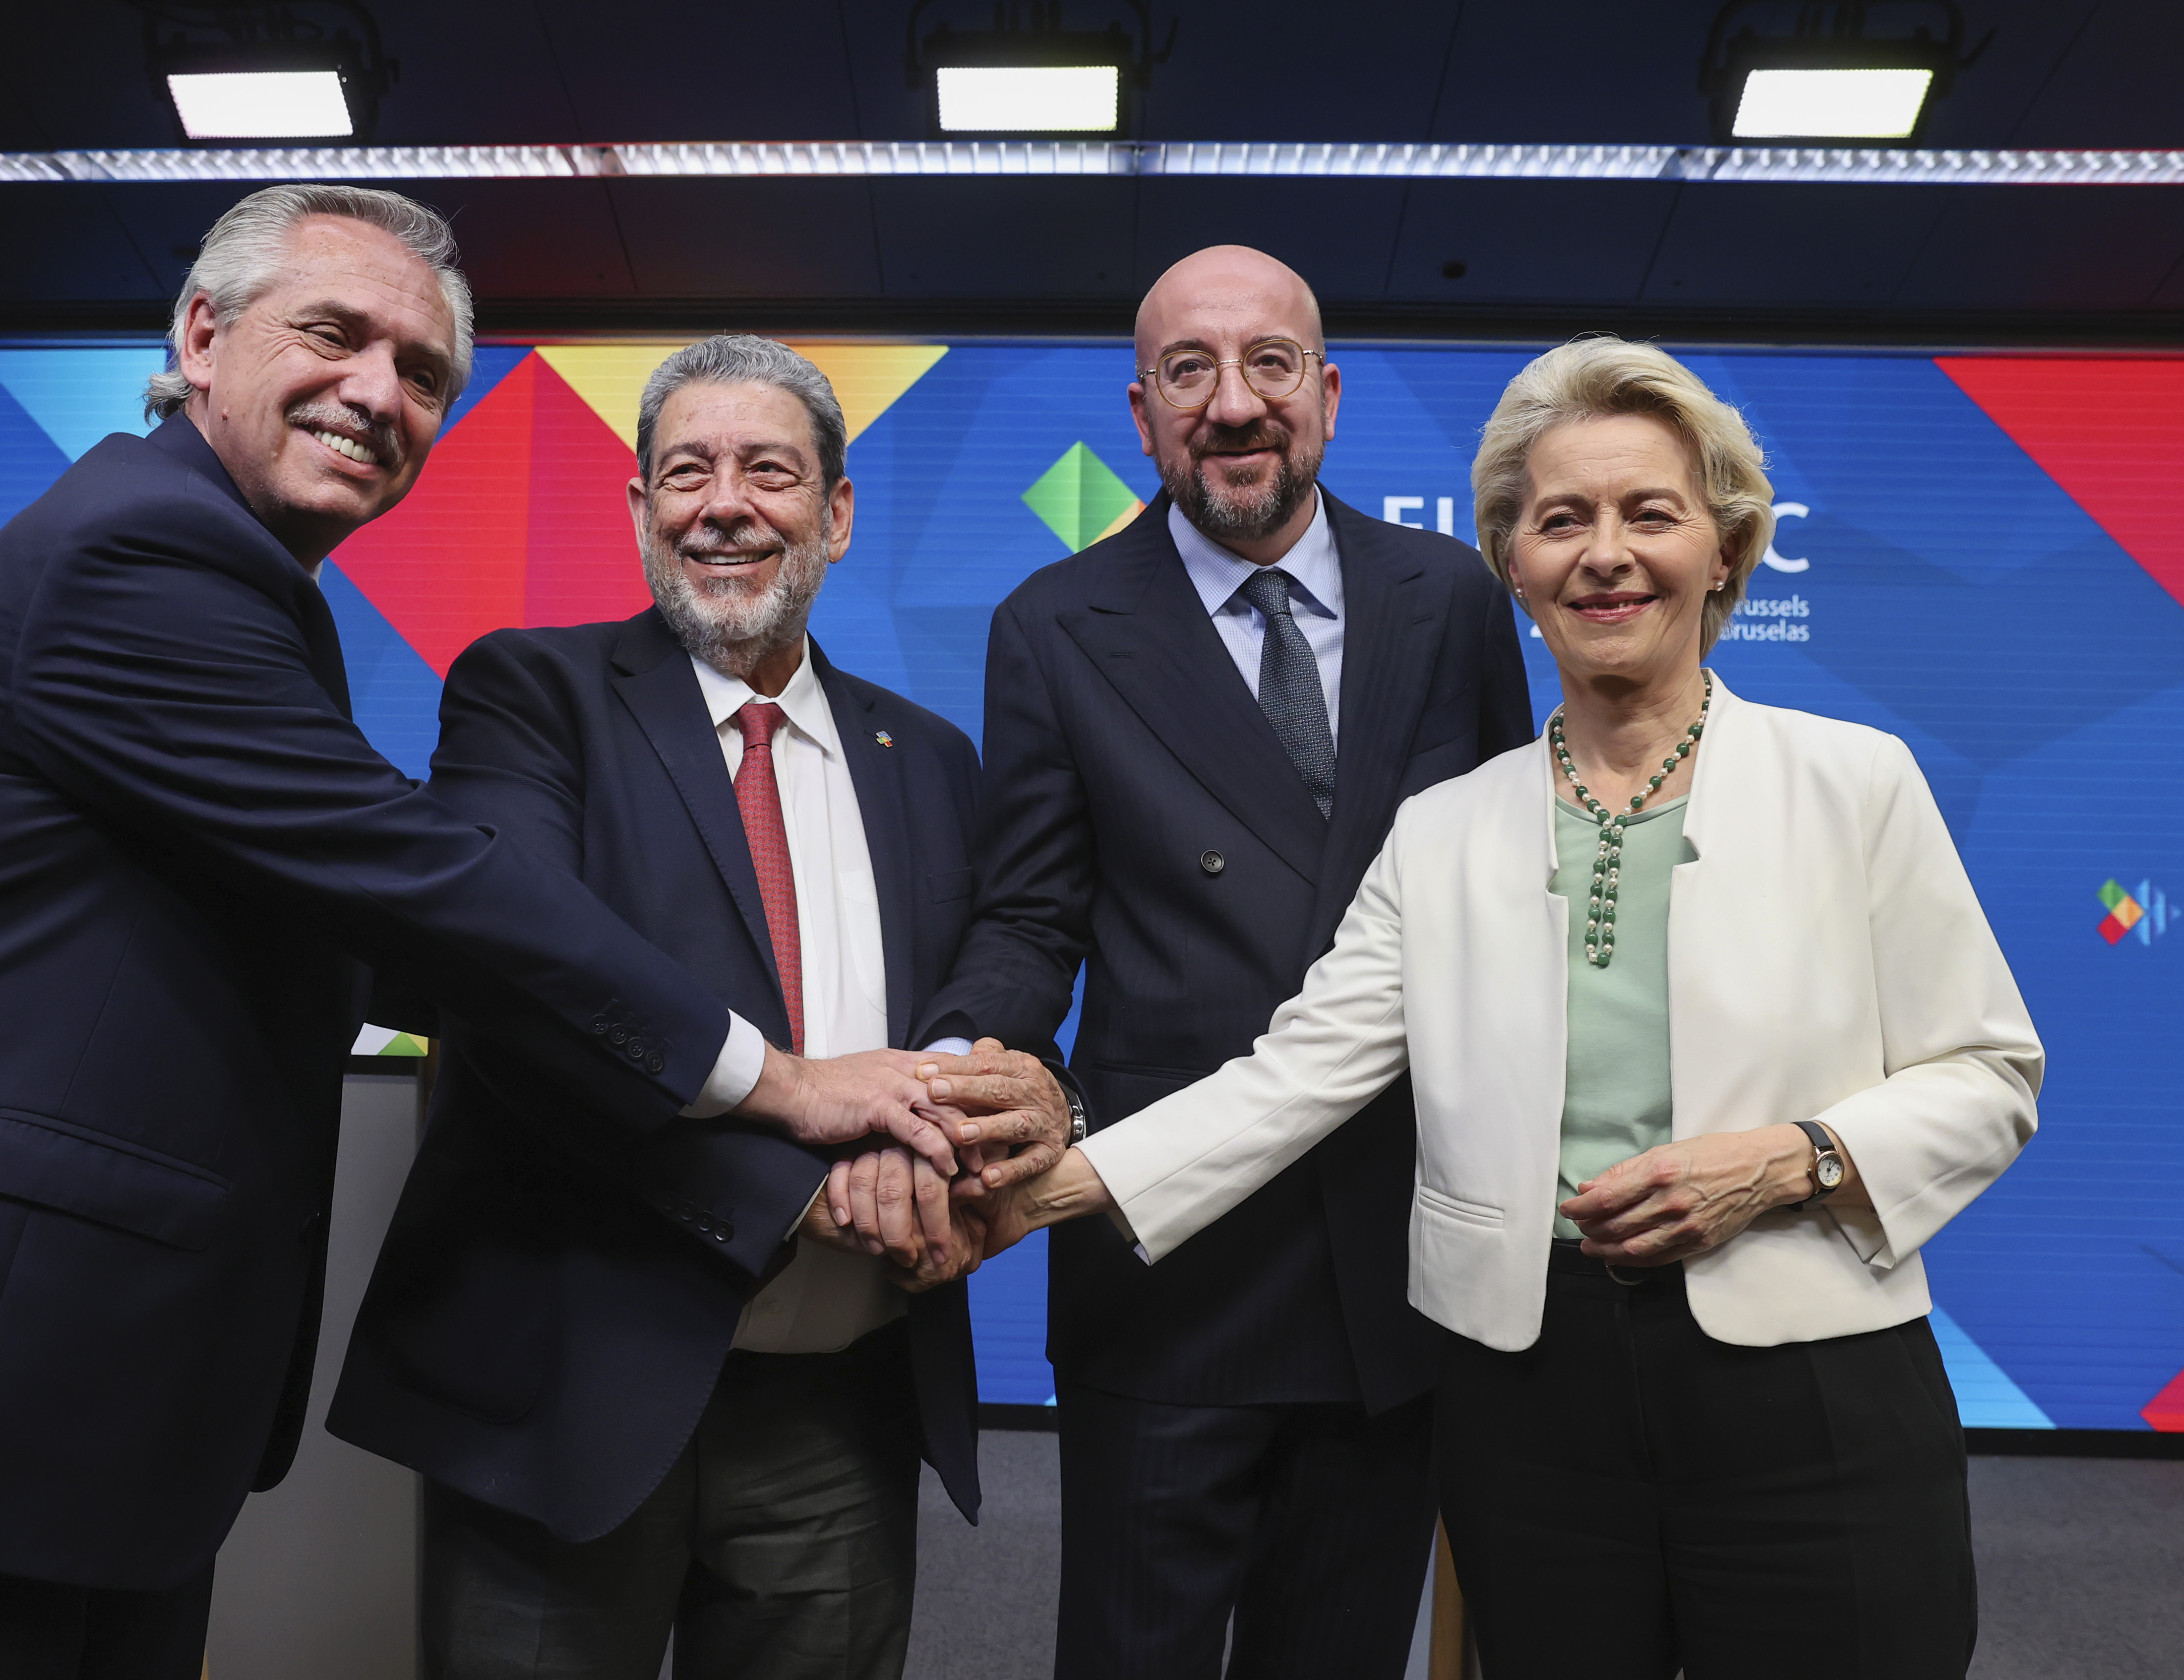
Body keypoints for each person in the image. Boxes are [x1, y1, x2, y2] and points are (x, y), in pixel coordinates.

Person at [0, 188, 958, 1680]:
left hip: (63, 1366)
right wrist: (784, 1085)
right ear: (200, 338)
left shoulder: (236, 574)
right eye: (334, 334)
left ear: (837, 511)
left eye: (422, 373)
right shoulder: (146, 550)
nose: (377, 393)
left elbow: (377, 926)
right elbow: (422, 887)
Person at [960, 336, 2044, 1680]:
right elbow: (1293, 1077)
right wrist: (1034, 1196)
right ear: (1512, 567)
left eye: (1651, 514)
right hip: (1530, 1398)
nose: (1606, 555)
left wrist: (1791, 1160)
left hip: (1812, 1380)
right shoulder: (1444, 831)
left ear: (1726, 549)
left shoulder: (1855, 782)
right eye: (1561, 520)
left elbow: (1989, 1077)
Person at [330, 336, 1038, 1680]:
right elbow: (525, 992)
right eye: (685, 474)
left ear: (836, 511)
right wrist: (808, 1186)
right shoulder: (529, 695)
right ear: (639, 509)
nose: (724, 506)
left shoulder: (933, 758)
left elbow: (988, 976)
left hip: (841, 1406)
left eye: (769, 472)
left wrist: (948, 1136)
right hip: (569, 1386)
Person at [911, 244, 1535, 1679]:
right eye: (1189, 370)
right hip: (1171, 1262)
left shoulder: (1451, 595)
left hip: (1396, 1248)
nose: (1234, 402)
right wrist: (959, 1069)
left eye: (1269, 364)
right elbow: (1029, 920)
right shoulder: (1054, 625)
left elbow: (1517, 889)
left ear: (1329, 395)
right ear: (1142, 416)